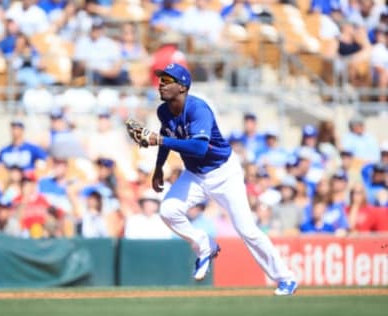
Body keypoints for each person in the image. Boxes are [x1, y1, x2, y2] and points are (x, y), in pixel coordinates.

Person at [126, 63, 297, 295]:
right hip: (195, 175)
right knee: (168, 210)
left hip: (224, 173)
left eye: (167, 80)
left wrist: (159, 141)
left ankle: (285, 278)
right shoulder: (163, 111)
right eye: (161, 79)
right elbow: (167, 136)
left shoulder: (199, 109)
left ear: (182, 86)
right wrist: (158, 167)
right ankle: (204, 245)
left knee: (247, 229)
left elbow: (198, 147)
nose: (161, 84)